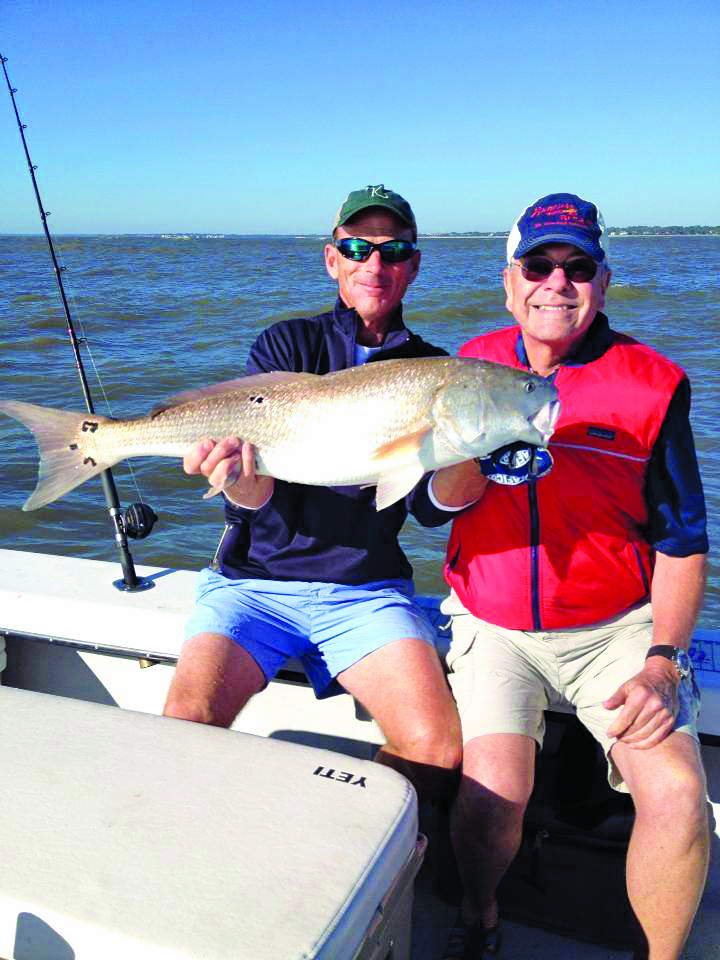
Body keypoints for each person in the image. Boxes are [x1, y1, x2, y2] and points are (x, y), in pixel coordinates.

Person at [411, 193, 710, 959]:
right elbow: (432, 510)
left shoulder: (651, 385)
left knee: (679, 795)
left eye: (578, 267)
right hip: (495, 623)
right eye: (538, 264)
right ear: (509, 282)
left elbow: (681, 541)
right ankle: (478, 917)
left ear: (603, 283)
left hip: (615, 629)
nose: (557, 281)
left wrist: (663, 662)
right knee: (491, 796)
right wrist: (467, 447)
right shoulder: (462, 365)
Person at [163, 184, 462, 802]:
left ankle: (357, 841)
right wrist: (233, 475)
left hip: (366, 591)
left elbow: (429, 510)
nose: (374, 264)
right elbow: (250, 498)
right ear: (333, 259)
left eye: (394, 250)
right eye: (357, 247)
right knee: (185, 723)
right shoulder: (286, 345)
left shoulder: (434, 370)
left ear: (414, 265)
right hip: (253, 586)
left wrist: (474, 454)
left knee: (436, 746)